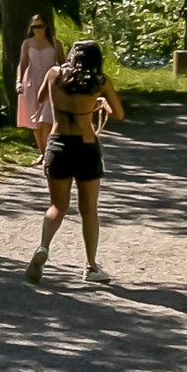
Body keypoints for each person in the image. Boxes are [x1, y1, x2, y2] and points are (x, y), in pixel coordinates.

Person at [28, 38, 126, 286]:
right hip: (86, 146)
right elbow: (119, 113)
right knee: (89, 209)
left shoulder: (54, 74)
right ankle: (91, 266)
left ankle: (43, 246)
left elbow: (41, 98)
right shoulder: (100, 81)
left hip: (58, 143)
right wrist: (100, 102)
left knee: (57, 206)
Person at [13, 12, 64, 143]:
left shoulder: (55, 43)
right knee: (34, 122)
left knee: (46, 119)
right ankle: (42, 151)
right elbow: (22, 64)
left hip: (50, 84)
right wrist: (18, 82)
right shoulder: (27, 43)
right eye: (34, 27)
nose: (37, 29)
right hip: (31, 83)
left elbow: (63, 64)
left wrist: (62, 82)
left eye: (40, 26)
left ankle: (47, 151)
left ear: (46, 26)